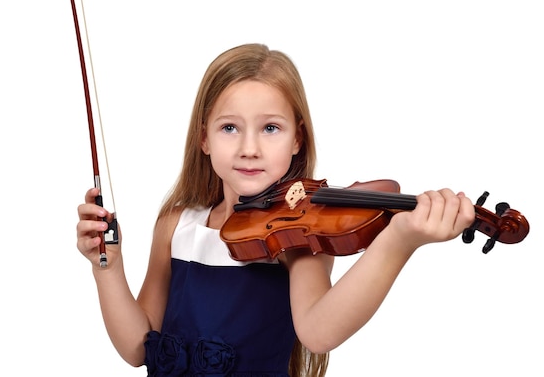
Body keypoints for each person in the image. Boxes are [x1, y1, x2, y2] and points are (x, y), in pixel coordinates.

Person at [76, 43, 475, 376]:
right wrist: (106, 268)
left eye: (270, 128)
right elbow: (138, 348)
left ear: (297, 139)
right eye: (229, 127)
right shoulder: (176, 224)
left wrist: (397, 242)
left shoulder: (294, 239)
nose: (250, 148)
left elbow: (318, 331)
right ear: (204, 139)